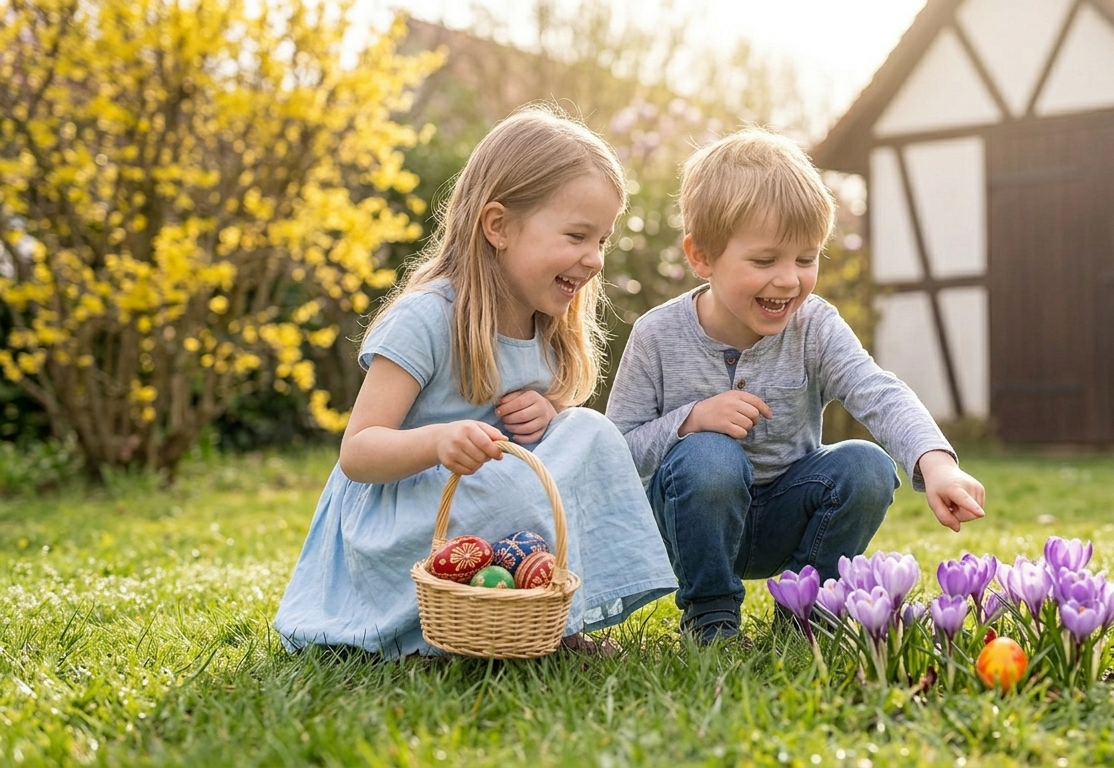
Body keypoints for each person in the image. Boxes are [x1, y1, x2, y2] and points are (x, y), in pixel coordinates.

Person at [274, 105, 677, 658]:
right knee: (520, 482)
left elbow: (544, 439)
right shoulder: (428, 318)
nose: (594, 260)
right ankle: (444, 622)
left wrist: (549, 413)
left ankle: (547, 613)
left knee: (592, 432)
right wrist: (439, 441)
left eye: (602, 241)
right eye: (578, 235)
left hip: (488, 507)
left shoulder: (546, 326)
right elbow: (359, 452)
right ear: (498, 226)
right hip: (410, 526)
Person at [605, 127, 986, 643]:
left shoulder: (814, 325)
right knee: (710, 457)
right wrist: (689, 422)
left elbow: (878, 392)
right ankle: (712, 618)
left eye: (806, 259)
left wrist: (935, 463)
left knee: (866, 466)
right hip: (694, 521)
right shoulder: (657, 334)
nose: (788, 280)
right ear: (702, 258)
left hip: (789, 510)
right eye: (765, 261)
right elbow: (615, 453)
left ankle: (806, 608)